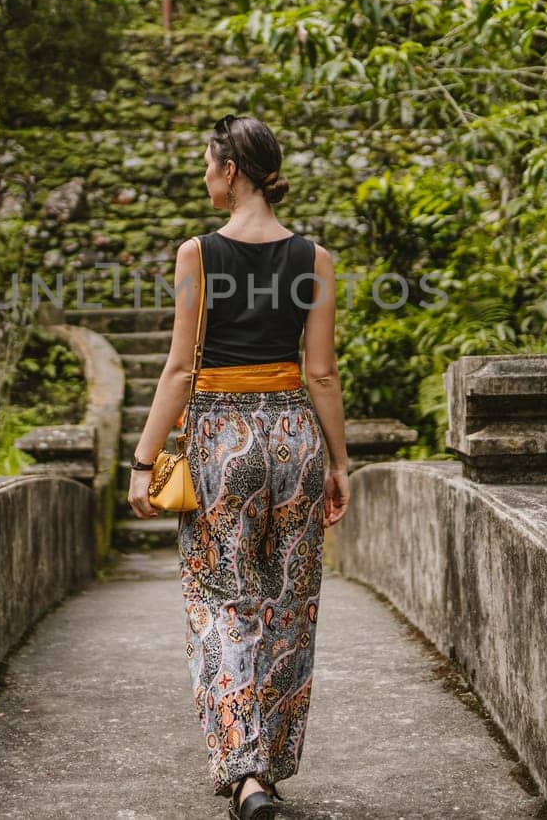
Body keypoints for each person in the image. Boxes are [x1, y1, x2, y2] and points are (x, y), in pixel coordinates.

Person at [128, 113, 351, 820]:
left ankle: (244, 769)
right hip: (294, 436)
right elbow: (321, 373)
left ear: (230, 171)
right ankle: (267, 764)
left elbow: (177, 370)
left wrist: (142, 460)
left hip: (222, 440)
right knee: (288, 601)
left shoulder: (197, 254)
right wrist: (340, 460)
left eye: (206, 163)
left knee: (223, 599)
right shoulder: (316, 259)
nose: (203, 174)